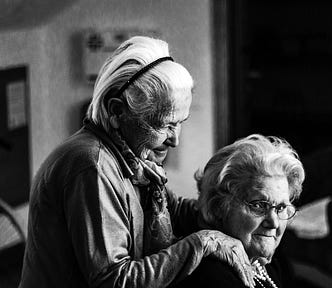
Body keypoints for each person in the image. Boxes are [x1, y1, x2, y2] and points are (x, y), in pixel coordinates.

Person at [19, 36, 255, 288]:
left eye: (180, 123)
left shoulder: (130, 159)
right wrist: (202, 243)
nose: (175, 140)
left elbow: (175, 211)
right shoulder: (92, 166)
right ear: (117, 111)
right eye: (165, 125)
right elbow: (114, 280)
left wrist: (241, 210)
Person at [175, 134, 305, 288]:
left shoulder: (271, 263)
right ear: (218, 207)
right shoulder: (209, 275)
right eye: (259, 205)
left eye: (281, 208)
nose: (274, 222)